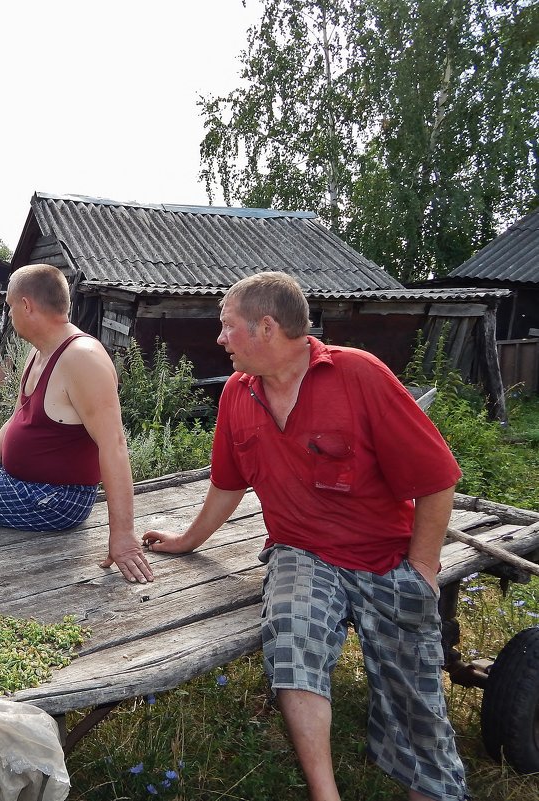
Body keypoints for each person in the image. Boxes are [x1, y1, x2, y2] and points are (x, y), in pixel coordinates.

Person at [142, 272, 467, 801]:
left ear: (266, 327)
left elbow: (437, 480)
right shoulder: (236, 393)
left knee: (416, 693)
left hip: (384, 555)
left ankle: (430, 787)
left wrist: (423, 570)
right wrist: (186, 540)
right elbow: (227, 485)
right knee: (292, 638)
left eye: (228, 327)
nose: (219, 339)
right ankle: (325, 793)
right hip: (302, 551)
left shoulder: (359, 375)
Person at [0, 263, 153, 584]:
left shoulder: (81, 358)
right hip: (19, 486)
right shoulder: (38, 353)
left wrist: (124, 537)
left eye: (10, 307)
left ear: (26, 306)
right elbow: (17, 420)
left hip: (55, 498)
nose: (9, 316)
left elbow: (114, 445)